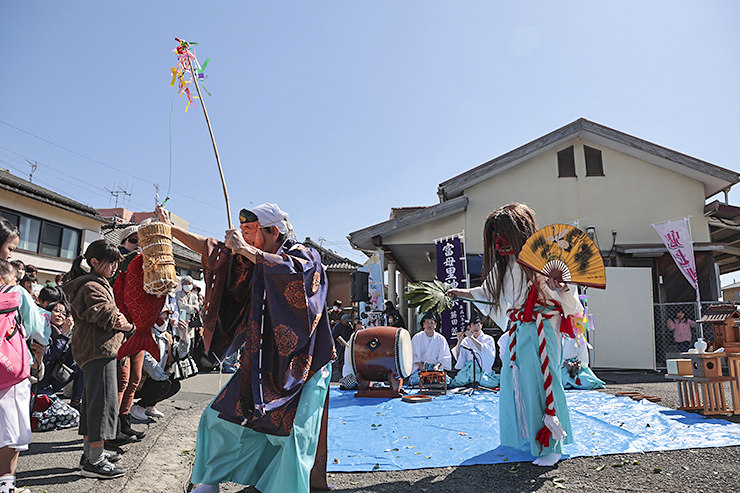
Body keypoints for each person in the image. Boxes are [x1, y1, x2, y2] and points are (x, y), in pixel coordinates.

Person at [155, 203, 335, 493]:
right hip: (262, 361)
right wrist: (169, 229)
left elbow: (291, 273)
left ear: (273, 231)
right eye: (243, 233)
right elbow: (211, 247)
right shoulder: (250, 257)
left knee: (293, 435)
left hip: (305, 364)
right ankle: (209, 481)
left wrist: (247, 250)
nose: (244, 238)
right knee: (218, 417)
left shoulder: (305, 256)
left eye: (250, 232)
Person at [447, 203, 583, 467]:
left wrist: (562, 287)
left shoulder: (544, 260)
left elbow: (570, 300)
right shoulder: (503, 267)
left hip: (543, 327)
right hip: (518, 329)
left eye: (504, 233)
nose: (499, 241)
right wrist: (461, 292)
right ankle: (527, 435)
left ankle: (551, 444)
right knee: (516, 381)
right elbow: (486, 294)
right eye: (496, 234)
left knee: (543, 381)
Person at [63, 239, 132, 479]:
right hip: (98, 351)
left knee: (94, 405)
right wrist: (128, 325)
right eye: (111, 262)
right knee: (102, 407)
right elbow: (110, 317)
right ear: (94, 262)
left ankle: (90, 455)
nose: (115, 267)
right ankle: (95, 460)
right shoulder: (91, 286)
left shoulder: (95, 283)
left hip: (96, 351)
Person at [0, 219, 47, 493]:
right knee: (10, 434)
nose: (10, 254)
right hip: (10, 370)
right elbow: (35, 328)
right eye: (9, 248)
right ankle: (7, 486)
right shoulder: (13, 291)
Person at [111, 224, 147, 445]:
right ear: (122, 243)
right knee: (121, 381)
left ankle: (124, 423)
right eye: (132, 241)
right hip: (121, 330)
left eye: (140, 241)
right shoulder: (116, 266)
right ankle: (112, 427)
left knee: (135, 379)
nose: (137, 245)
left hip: (139, 328)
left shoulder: (144, 265)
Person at [129, 305, 190, 421]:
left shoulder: (167, 336)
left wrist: (184, 336)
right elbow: (147, 360)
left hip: (155, 378)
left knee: (175, 385)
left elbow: (180, 354)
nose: (165, 321)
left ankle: (149, 405)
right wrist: (162, 377)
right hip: (141, 381)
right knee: (164, 384)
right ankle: (138, 407)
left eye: (167, 318)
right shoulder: (145, 334)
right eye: (162, 318)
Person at [36, 301, 84, 409]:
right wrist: (63, 336)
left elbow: (67, 359)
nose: (60, 315)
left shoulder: (60, 330)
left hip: (55, 377)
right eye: (57, 311)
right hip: (41, 382)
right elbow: (49, 356)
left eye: (64, 314)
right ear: (47, 312)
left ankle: (76, 402)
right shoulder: (42, 330)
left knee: (80, 369)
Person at [450, 313, 499, 388]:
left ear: (481, 326)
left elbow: (485, 351)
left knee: (485, 381)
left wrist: (472, 338)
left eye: (478, 325)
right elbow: (458, 354)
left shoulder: (488, 339)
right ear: (469, 327)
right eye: (474, 325)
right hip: (469, 370)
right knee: (457, 381)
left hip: (482, 370)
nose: (476, 328)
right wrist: (459, 340)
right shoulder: (466, 340)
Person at [409, 311, 452, 386]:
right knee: (414, 380)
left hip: (435, 368)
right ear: (424, 325)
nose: (429, 325)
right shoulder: (417, 337)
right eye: (427, 322)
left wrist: (437, 366)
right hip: (421, 368)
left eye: (432, 323)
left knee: (446, 381)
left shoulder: (441, 339)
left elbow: (445, 356)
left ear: (435, 325)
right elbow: (413, 354)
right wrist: (420, 365)